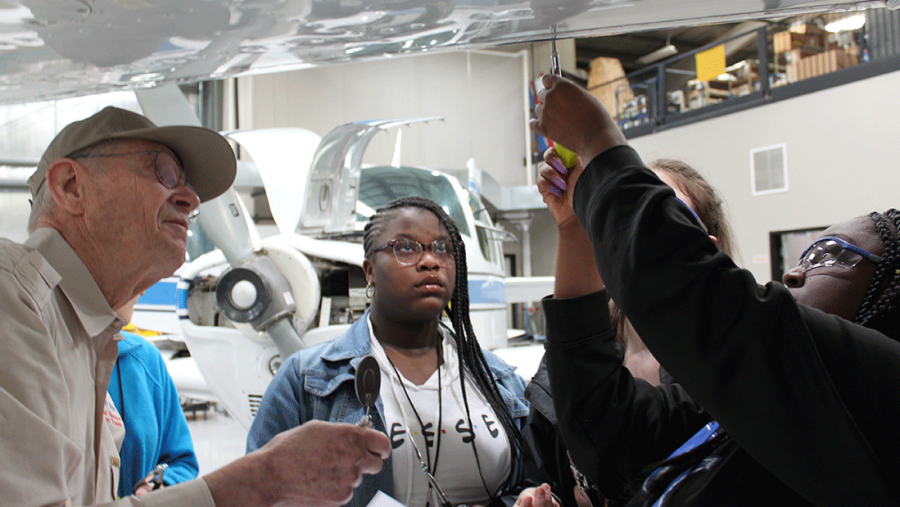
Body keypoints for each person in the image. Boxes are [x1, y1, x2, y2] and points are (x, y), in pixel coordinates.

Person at [529, 73, 900, 505]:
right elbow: (607, 433)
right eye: (805, 256)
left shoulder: (882, 395)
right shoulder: (734, 412)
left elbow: (714, 307)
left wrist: (598, 141)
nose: (794, 275)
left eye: (829, 255)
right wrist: (576, 228)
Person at [0, 106, 390, 507]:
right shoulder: (11, 297)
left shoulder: (88, 339)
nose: (190, 199)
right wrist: (264, 478)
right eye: (163, 174)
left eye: (186, 185)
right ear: (70, 186)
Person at [248, 196, 556, 507]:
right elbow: (258, 491)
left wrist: (529, 498)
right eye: (406, 247)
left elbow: (535, 479)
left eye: (442, 248)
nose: (430, 261)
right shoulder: (306, 381)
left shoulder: (498, 380)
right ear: (370, 271)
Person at [524, 154, 735, 507]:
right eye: (620, 210)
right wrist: (537, 497)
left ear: (706, 245)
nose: (635, 226)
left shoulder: (731, 367)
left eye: (658, 211)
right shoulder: (563, 364)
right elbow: (541, 474)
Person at [109, 294, 199, 498]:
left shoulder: (144, 358)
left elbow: (181, 462)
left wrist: (159, 485)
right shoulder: (49, 357)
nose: (140, 291)